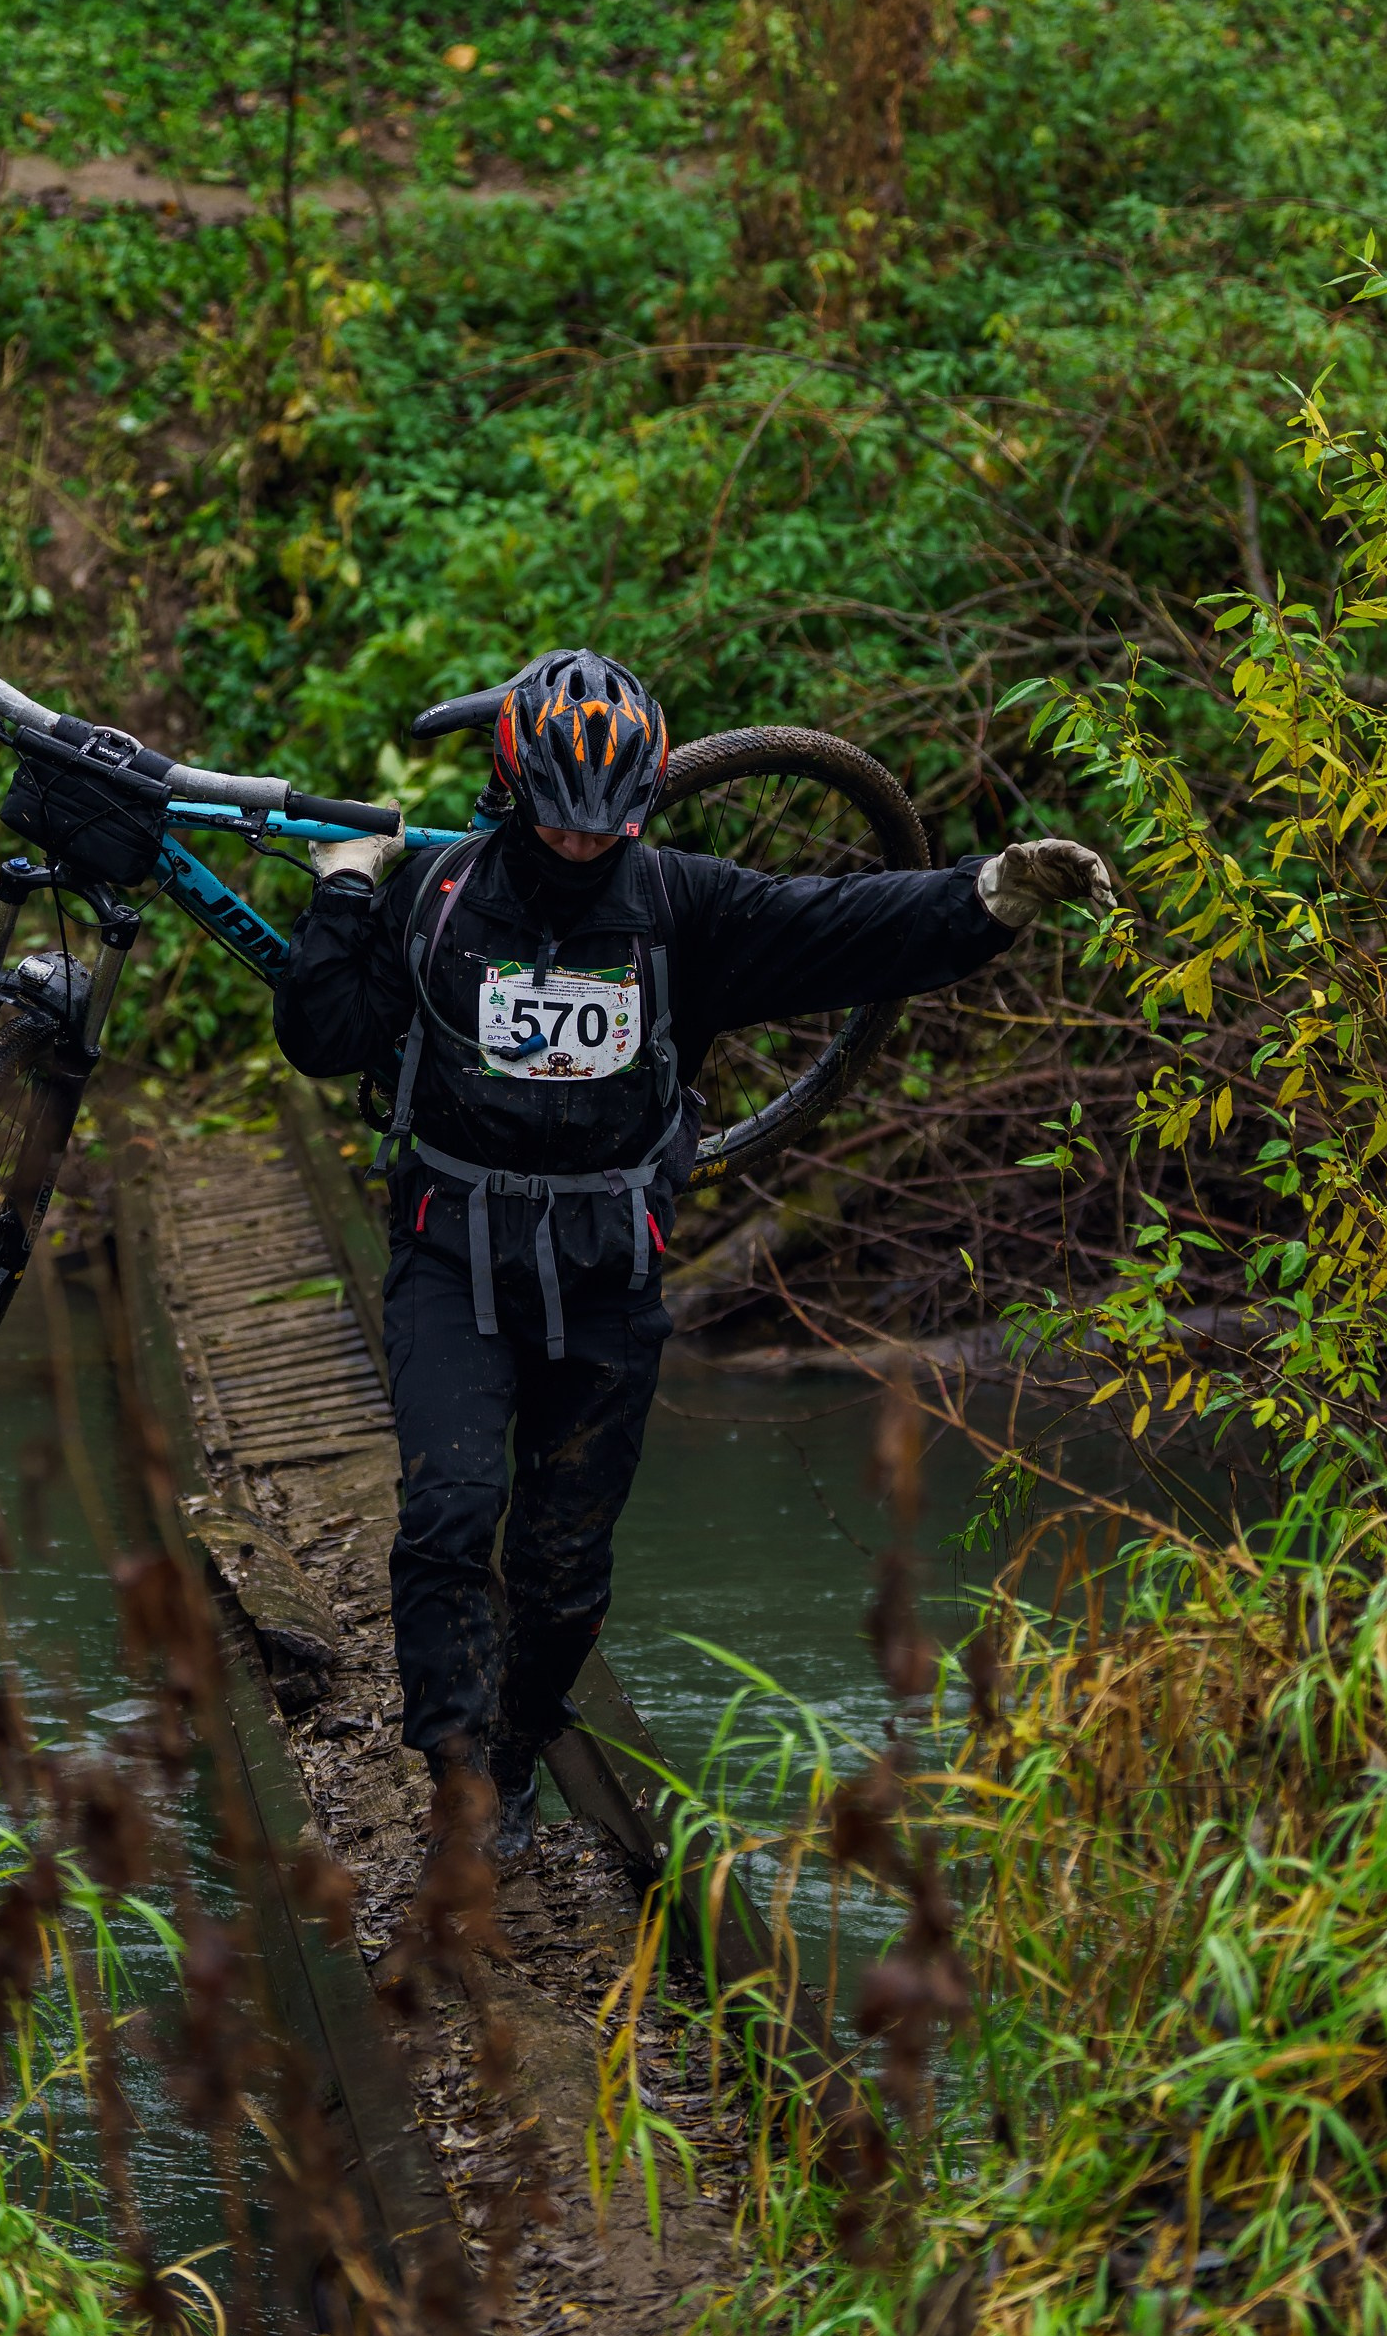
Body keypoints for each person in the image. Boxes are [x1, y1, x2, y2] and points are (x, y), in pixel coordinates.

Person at [272, 650, 1113, 1860]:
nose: (578, 848)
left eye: (601, 828)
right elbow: (322, 1034)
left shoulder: (679, 907)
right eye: (558, 826)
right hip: (448, 1256)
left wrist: (989, 894)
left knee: (562, 1566)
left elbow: (843, 929)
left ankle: (516, 1751)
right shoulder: (441, 897)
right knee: (448, 1518)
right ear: (514, 793)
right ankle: (457, 1778)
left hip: (608, 1274)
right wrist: (346, 892)